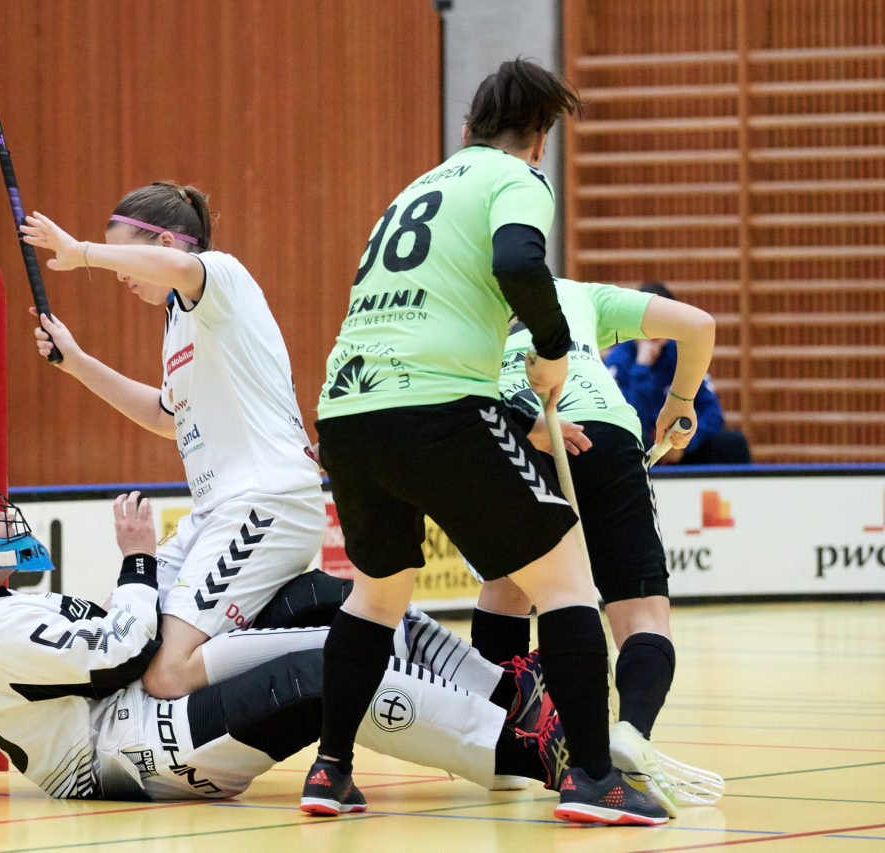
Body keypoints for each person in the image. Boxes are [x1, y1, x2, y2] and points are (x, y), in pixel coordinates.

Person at [302, 58, 668, 825]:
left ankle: (330, 769)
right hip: (435, 405)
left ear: (466, 128)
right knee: (565, 579)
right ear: (540, 140)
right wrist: (554, 346)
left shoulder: (417, 189)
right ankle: (594, 779)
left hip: (345, 409)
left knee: (377, 593)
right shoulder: (518, 178)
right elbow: (517, 260)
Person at [0, 477, 569, 803]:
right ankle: (530, 754)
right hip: (124, 758)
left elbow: (120, 636)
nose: (6, 523)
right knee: (324, 674)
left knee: (321, 595)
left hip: (134, 714)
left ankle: (506, 690)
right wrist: (138, 558)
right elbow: (125, 646)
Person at [17, 182, 325, 700]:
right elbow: (167, 417)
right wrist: (76, 363)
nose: (120, 273)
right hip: (214, 513)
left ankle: (355, 636)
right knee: (120, 636)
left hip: (266, 501)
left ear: (164, 245)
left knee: (168, 673)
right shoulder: (179, 320)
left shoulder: (221, 274)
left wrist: (80, 252)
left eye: (124, 256)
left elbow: (183, 269)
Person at [472, 276, 717, 816]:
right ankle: (630, 733)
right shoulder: (580, 294)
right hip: (601, 431)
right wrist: (679, 402)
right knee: (641, 611)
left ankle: (505, 753)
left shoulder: (468, 295)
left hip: (513, 435)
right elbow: (699, 325)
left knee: (507, 590)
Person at [604, 282, 751, 465]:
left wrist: (683, 443)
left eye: (662, 320)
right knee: (638, 441)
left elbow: (713, 413)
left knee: (733, 443)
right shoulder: (617, 361)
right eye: (649, 321)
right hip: (642, 446)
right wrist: (641, 368)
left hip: (684, 447)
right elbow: (629, 421)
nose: (655, 328)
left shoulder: (684, 353)